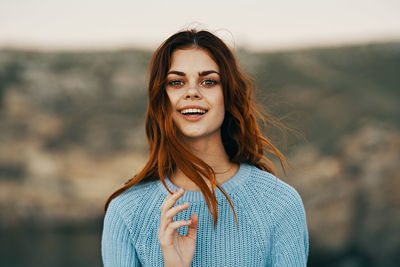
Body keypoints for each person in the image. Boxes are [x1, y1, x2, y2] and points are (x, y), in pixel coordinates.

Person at [101, 29, 309, 267]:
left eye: (208, 81)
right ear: (161, 98)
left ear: (227, 94)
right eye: (176, 82)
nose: (192, 92)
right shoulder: (127, 212)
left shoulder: (279, 203)